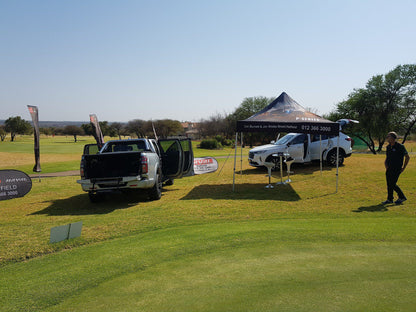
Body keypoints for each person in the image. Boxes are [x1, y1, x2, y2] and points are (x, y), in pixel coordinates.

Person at [382, 132, 410, 205]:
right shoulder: (388, 147)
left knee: (392, 183)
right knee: (389, 184)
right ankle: (390, 199)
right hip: (389, 168)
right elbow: (387, 157)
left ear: (393, 138)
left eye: (389, 136)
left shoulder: (400, 146)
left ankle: (402, 197)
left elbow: (407, 157)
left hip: (397, 168)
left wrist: (404, 167)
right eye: (387, 136)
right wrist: (385, 164)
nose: (387, 138)